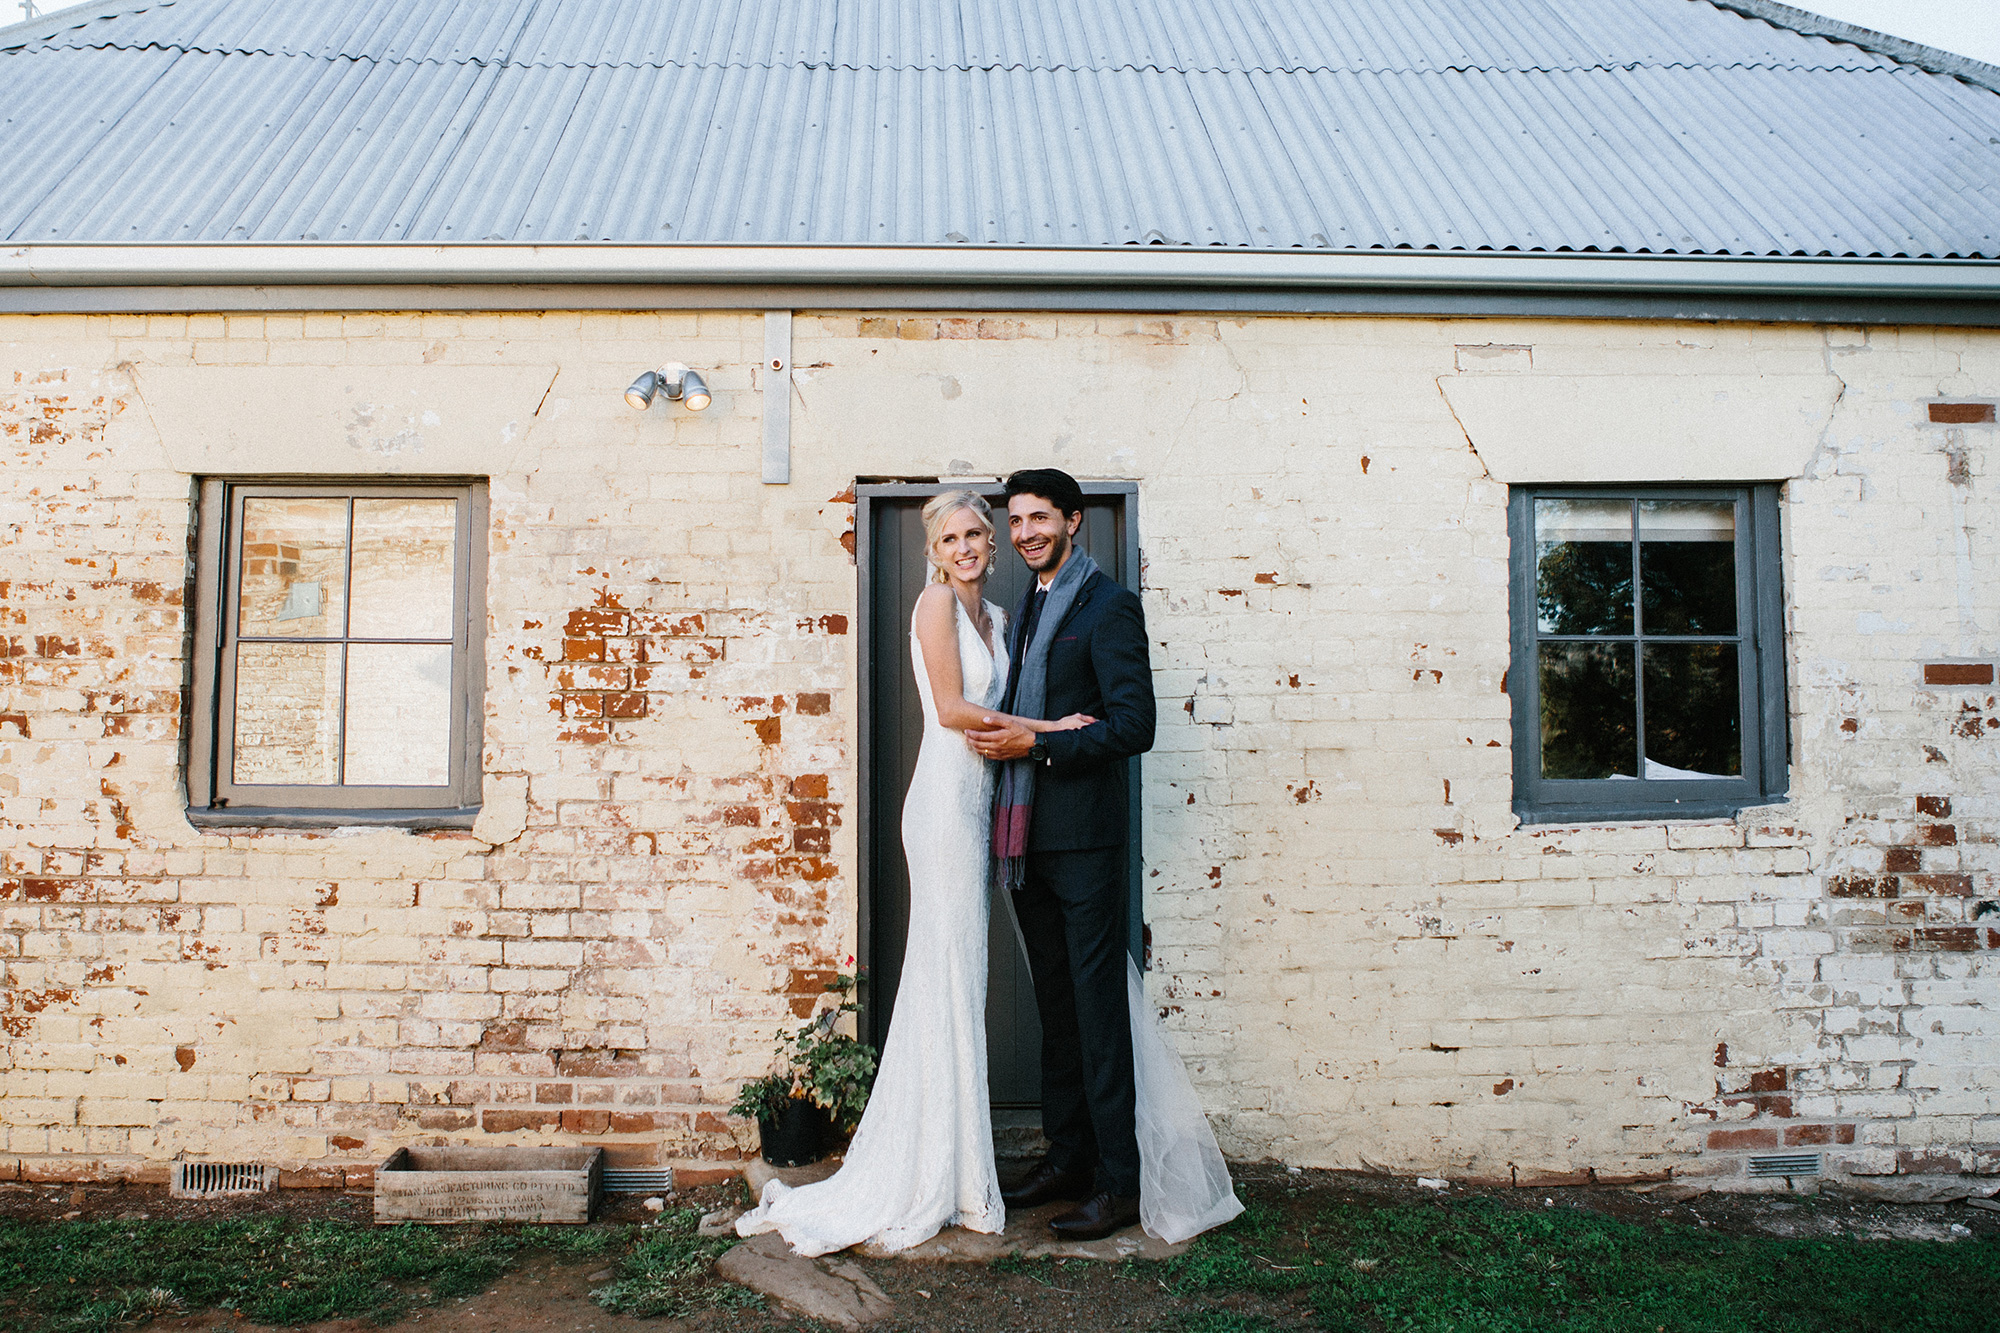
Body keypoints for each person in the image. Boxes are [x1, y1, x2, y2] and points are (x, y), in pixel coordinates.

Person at [734, 490, 1089, 1256]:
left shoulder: (995, 615)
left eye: (974, 534)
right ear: (933, 548)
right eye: (950, 537)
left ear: (991, 543)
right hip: (941, 807)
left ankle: (958, 1164)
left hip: (980, 808)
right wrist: (1052, 728)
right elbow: (957, 711)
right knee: (946, 973)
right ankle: (932, 1173)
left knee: (957, 976)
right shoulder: (935, 606)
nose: (964, 547)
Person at [966, 468, 1239, 1243]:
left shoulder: (1109, 606)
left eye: (1040, 517)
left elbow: (1133, 725)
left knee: (1097, 1012)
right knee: (1057, 1007)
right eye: (1016, 520)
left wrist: (1038, 744)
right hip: (1027, 843)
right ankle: (1068, 1158)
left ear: (1074, 521)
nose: (1025, 532)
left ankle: (1120, 1182)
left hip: (1085, 839)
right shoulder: (1024, 611)